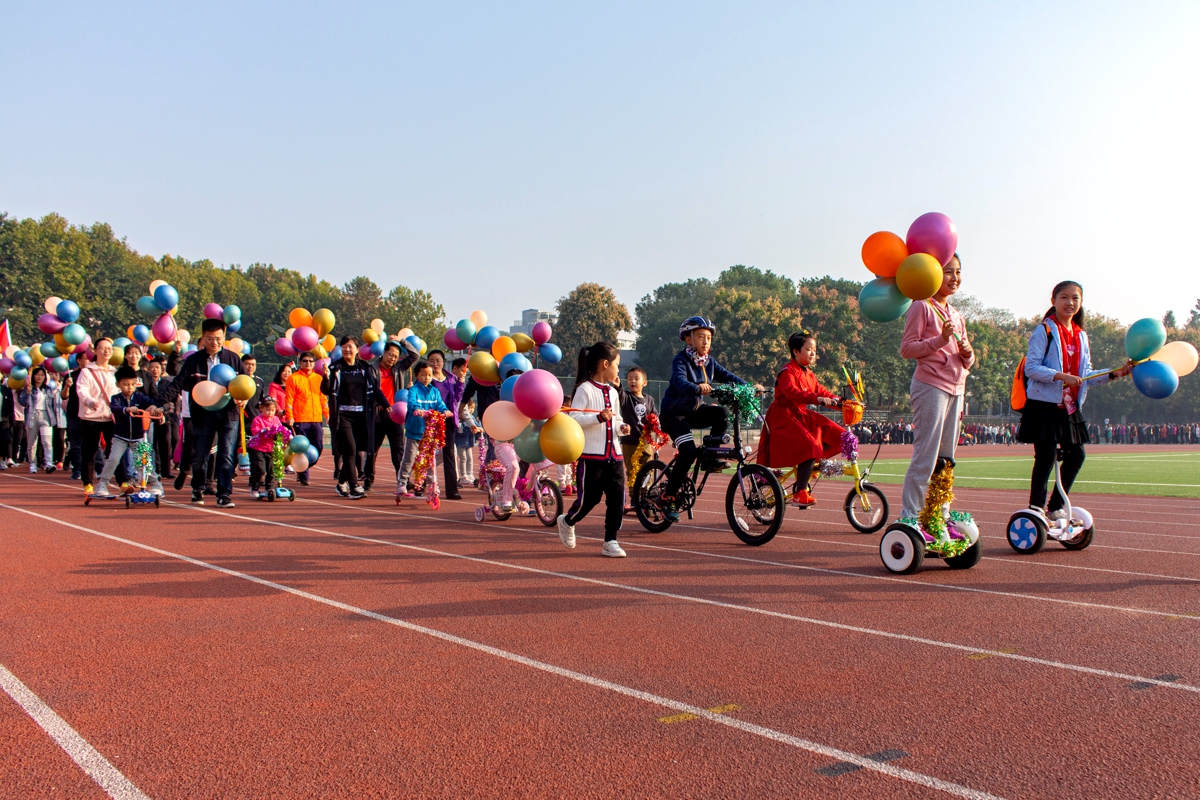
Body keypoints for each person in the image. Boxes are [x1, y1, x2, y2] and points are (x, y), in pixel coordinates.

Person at [1019, 280, 1130, 519]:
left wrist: (1114, 373)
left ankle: (1056, 506)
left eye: (1075, 298)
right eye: (1064, 297)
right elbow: (1032, 368)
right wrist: (1060, 376)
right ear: (1054, 301)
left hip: (1069, 407)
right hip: (1044, 406)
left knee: (1077, 454)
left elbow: (1086, 374)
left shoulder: (1081, 336)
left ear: (1081, 302)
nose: (1070, 303)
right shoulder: (1045, 330)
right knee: (1046, 456)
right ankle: (1035, 508)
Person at [898, 254, 974, 522]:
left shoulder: (956, 315)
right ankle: (910, 517)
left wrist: (968, 353)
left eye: (958, 272)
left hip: (957, 388)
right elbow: (907, 348)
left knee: (946, 459)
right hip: (930, 385)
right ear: (932, 274)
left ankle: (938, 516)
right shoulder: (922, 306)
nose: (954, 278)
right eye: (948, 272)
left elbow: (968, 360)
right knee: (926, 455)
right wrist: (940, 340)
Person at [658, 316, 758, 521]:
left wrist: (748, 386)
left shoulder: (709, 362)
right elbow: (679, 381)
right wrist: (696, 388)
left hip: (694, 412)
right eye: (701, 337)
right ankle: (667, 496)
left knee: (721, 413)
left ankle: (711, 458)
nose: (705, 342)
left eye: (709, 338)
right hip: (673, 415)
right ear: (688, 339)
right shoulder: (681, 360)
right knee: (688, 451)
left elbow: (728, 376)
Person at [158, 318, 247, 507]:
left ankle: (224, 494)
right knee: (200, 454)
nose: (214, 342)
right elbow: (177, 384)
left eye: (218, 338)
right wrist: (157, 403)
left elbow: (245, 384)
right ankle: (197, 489)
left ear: (224, 337)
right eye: (209, 338)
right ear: (203, 338)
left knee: (227, 454)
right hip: (202, 414)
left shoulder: (233, 359)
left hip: (228, 414)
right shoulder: (193, 360)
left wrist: (244, 398)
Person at [556, 342, 632, 557]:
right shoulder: (584, 389)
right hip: (592, 456)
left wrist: (621, 427)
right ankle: (568, 520)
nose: (619, 370)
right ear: (605, 364)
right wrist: (598, 417)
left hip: (614, 456)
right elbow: (575, 418)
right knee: (589, 499)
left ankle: (610, 541)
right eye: (617, 365)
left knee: (618, 499)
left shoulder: (613, 392)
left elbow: (616, 419)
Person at [757, 331, 845, 507]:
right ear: (796, 352)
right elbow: (792, 393)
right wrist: (816, 399)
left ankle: (808, 468)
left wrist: (845, 403)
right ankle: (800, 492)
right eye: (809, 349)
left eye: (814, 349)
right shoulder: (786, 372)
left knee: (839, 435)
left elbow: (823, 392)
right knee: (811, 445)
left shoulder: (809, 375)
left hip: (801, 415)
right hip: (783, 417)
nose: (813, 353)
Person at [90, 366, 164, 497]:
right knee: (113, 459)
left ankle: (156, 484)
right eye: (125, 384)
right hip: (120, 437)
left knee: (144, 461)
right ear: (118, 384)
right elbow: (116, 408)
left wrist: (159, 410)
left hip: (139, 437)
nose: (129, 387)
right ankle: (102, 485)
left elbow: (152, 404)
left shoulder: (140, 398)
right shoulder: (116, 398)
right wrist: (127, 409)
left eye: (132, 384)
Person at [323, 336, 379, 499]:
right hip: (343, 416)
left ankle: (342, 483)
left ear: (357, 349)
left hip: (361, 417)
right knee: (350, 449)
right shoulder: (335, 367)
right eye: (344, 346)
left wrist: (385, 404)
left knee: (358, 450)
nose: (347, 349)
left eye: (350, 346)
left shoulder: (364, 367)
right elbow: (326, 390)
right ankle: (354, 487)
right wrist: (325, 376)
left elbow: (374, 388)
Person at [365, 339, 419, 492]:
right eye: (390, 354)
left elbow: (414, 356)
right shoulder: (372, 369)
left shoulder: (399, 368)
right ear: (383, 352)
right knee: (372, 449)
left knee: (399, 450)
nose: (393, 358)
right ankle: (368, 480)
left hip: (396, 415)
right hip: (377, 414)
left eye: (396, 356)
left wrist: (403, 342)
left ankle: (403, 481)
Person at [396, 360, 453, 497]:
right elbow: (411, 403)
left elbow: (439, 404)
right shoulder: (414, 390)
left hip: (429, 433)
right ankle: (402, 483)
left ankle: (431, 483)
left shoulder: (434, 391)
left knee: (430, 459)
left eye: (429, 375)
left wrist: (445, 411)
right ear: (417, 375)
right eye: (423, 375)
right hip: (414, 432)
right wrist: (416, 409)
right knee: (409, 458)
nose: (426, 378)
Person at [77, 338, 119, 491]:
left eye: (109, 348)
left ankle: (123, 483)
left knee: (115, 451)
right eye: (102, 348)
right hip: (90, 418)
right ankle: (88, 483)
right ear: (95, 351)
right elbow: (82, 390)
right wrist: (89, 401)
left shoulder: (114, 372)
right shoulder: (87, 371)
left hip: (110, 417)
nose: (106, 351)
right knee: (90, 452)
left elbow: (118, 392)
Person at [285, 352, 328, 486]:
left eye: (310, 361)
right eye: (305, 361)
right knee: (301, 449)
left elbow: (323, 399)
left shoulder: (319, 378)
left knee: (318, 447)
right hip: (300, 419)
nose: (307, 363)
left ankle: (304, 467)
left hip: (316, 419)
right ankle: (304, 476)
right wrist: (290, 417)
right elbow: (289, 399)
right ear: (300, 362)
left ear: (314, 363)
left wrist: (328, 415)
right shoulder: (293, 378)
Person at [618, 366, 657, 512]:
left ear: (644, 383)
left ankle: (646, 497)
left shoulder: (649, 400)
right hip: (629, 442)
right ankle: (634, 500)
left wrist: (656, 424)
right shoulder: (626, 398)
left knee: (648, 470)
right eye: (629, 379)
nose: (632, 381)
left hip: (646, 441)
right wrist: (617, 385)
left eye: (636, 378)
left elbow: (655, 417)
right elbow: (619, 394)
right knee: (632, 471)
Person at [428, 350, 466, 500]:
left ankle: (452, 490)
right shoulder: (426, 378)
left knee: (449, 454)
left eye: (438, 360)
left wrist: (461, 383)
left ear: (443, 362)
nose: (435, 364)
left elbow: (456, 398)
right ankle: (422, 484)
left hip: (448, 420)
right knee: (428, 453)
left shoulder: (451, 379)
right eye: (431, 360)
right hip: (431, 419)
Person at [246, 396, 290, 499]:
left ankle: (269, 488)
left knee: (272, 470)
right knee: (260, 469)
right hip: (258, 449)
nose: (270, 413)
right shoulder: (257, 420)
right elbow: (255, 431)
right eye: (267, 410)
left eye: (272, 410)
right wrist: (263, 430)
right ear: (261, 408)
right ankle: (255, 488)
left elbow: (281, 428)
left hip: (271, 449)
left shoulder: (276, 419)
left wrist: (287, 434)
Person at [18, 366, 60, 473]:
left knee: (47, 441)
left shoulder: (47, 389)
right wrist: (27, 392)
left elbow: (51, 404)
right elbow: (23, 402)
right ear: (33, 376)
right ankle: (32, 464)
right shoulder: (28, 388)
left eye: (42, 375)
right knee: (32, 443)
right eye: (37, 375)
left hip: (46, 416)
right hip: (32, 416)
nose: (39, 377)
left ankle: (49, 463)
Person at [455, 398, 481, 487]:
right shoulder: (460, 417)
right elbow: (461, 428)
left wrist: (478, 429)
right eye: (470, 408)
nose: (471, 410)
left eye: (473, 408)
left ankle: (470, 474)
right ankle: (463, 476)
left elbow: (478, 426)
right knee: (463, 458)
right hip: (460, 441)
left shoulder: (472, 417)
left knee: (470, 458)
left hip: (469, 441)